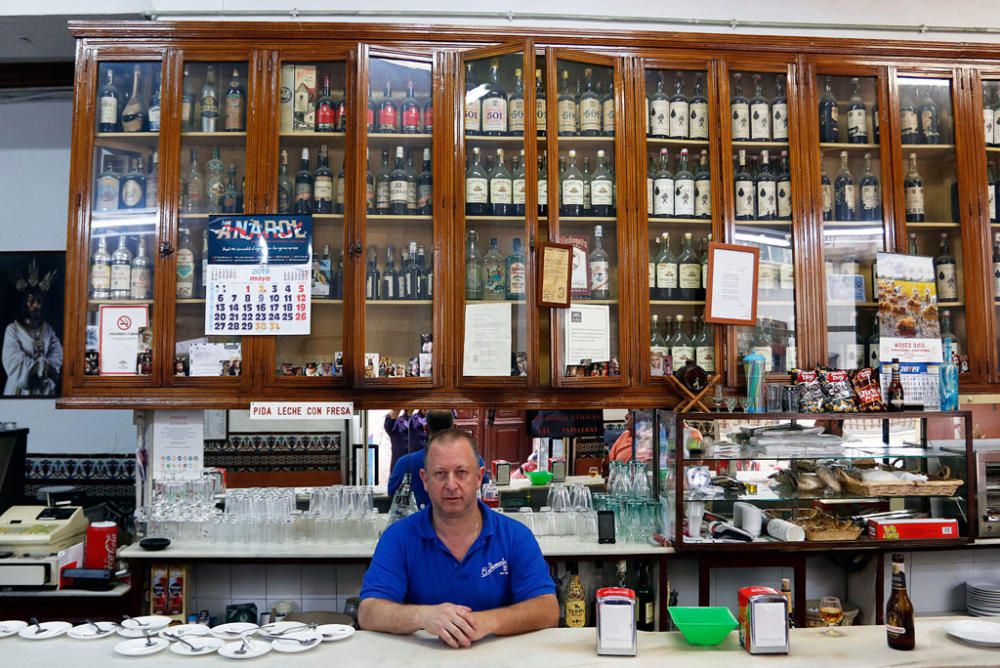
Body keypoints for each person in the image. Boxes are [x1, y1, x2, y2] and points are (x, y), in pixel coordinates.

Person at [359, 429, 558, 647]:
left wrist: (486, 621)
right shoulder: (398, 538)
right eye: (440, 474)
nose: (451, 485)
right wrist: (424, 617)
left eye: (461, 472)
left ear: (479, 477)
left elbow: (547, 609)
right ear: (425, 480)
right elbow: (369, 611)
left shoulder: (515, 536)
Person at [388, 410, 489, 508]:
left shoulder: (405, 463)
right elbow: (485, 490)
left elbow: (392, 493)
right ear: (454, 427)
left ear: (426, 429)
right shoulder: (474, 460)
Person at [2, 263, 62, 397]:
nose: (35, 305)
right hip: (20, 388)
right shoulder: (13, 330)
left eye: (39, 301)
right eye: (31, 301)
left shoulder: (48, 330)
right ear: (24, 303)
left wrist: (49, 368)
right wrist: (39, 368)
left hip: (44, 388)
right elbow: (12, 359)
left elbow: (57, 354)